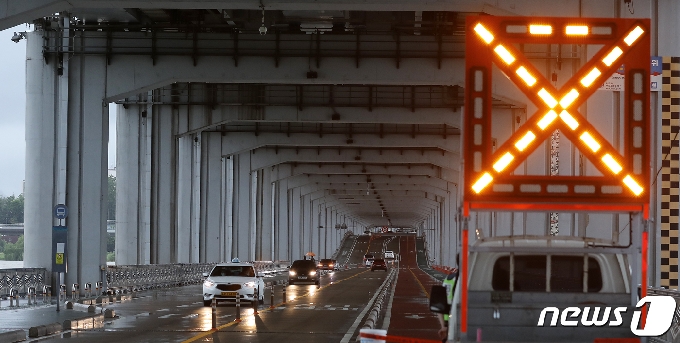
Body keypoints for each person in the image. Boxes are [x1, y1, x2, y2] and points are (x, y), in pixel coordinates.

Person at [437, 256, 459, 342]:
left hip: (450, 326)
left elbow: (440, 304)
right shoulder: (474, 279)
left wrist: (443, 326)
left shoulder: (449, 279)